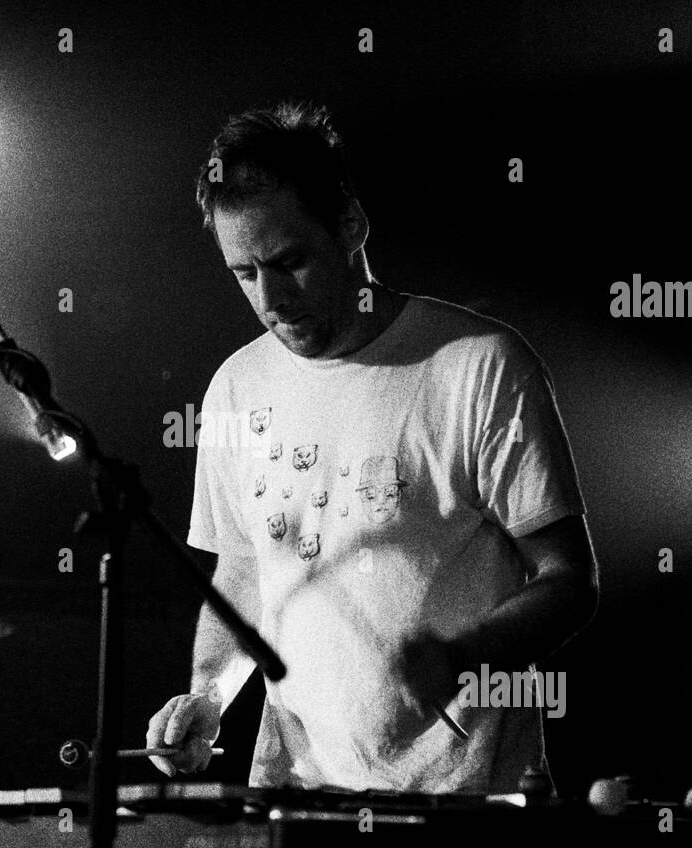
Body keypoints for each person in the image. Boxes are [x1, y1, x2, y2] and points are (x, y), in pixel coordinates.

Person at [146, 102, 599, 794]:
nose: (270, 297)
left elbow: (570, 582)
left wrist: (466, 655)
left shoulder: (478, 365)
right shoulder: (235, 388)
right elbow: (243, 571)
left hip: (468, 801)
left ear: (351, 225)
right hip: (295, 796)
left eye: (289, 261)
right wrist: (207, 696)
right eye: (243, 272)